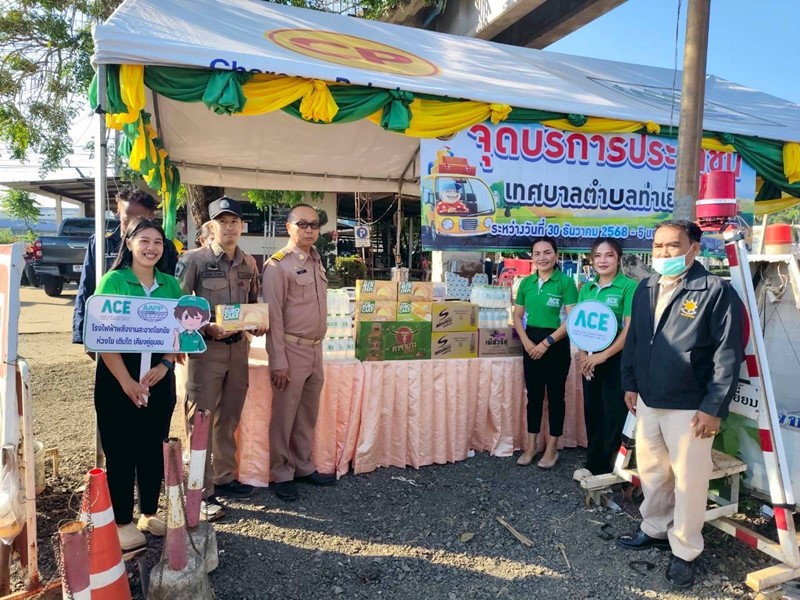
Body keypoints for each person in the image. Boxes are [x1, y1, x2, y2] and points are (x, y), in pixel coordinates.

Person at [618, 219, 744, 589]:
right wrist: (630, 383)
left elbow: (727, 355)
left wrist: (713, 407)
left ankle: (686, 550)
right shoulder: (646, 287)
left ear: (694, 248)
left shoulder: (715, 291)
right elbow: (635, 341)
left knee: (689, 481)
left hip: (691, 407)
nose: (663, 253)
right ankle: (655, 529)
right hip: (648, 400)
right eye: (657, 246)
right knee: (654, 472)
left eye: (672, 245)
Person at [92, 217, 181, 551]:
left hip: (158, 376)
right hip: (118, 376)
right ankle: (121, 522)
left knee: (152, 446)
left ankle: (148, 512)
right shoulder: (114, 281)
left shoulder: (171, 285)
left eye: (157, 242)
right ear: (129, 243)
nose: (151, 248)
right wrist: (127, 382)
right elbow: (102, 336)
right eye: (144, 241)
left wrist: (166, 364)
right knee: (120, 450)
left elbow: (181, 331)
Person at [176, 197, 265, 521]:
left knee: (229, 417)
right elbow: (179, 307)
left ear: (242, 226)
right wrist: (204, 327)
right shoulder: (193, 260)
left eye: (234, 222)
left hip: (238, 350)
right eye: (222, 222)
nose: (229, 227)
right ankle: (199, 491)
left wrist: (256, 322)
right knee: (200, 419)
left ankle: (225, 477)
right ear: (211, 226)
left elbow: (252, 302)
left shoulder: (249, 263)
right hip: (206, 350)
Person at [263, 203, 334, 501]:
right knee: (285, 415)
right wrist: (278, 359)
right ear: (288, 227)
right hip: (291, 349)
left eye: (314, 225)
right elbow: (273, 317)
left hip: (315, 349)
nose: (309, 230)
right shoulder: (278, 265)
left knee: (307, 413)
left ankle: (303, 465)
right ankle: (281, 473)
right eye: (302, 224)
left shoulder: (317, 260)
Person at [73, 188, 179, 345]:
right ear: (118, 212)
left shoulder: (164, 246)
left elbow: (170, 289)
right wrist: (82, 332)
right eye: (126, 219)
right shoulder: (102, 242)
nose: (133, 225)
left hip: (154, 334)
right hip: (110, 333)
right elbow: (86, 286)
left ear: (151, 216)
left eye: (140, 219)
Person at [512, 236, 578, 469]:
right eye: (537, 253)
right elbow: (517, 316)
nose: (542, 257)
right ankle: (531, 446)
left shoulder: (566, 283)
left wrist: (547, 342)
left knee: (556, 397)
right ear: (532, 257)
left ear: (556, 255)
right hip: (530, 343)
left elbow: (571, 319)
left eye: (547, 252)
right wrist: (527, 342)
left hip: (556, 344)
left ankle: (552, 448)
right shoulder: (526, 283)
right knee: (534, 396)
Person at [576, 238, 637, 475]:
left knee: (613, 412)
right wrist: (583, 356)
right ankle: (593, 463)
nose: (602, 260)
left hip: (615, 359)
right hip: (589, 359)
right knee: (592, 411)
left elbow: (629, 329)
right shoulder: (587, 288)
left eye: (609, 255)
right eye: (598, 256)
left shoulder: (628, 287)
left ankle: (611, 467)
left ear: (618, 259)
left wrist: (602, 356)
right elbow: (578, 326)